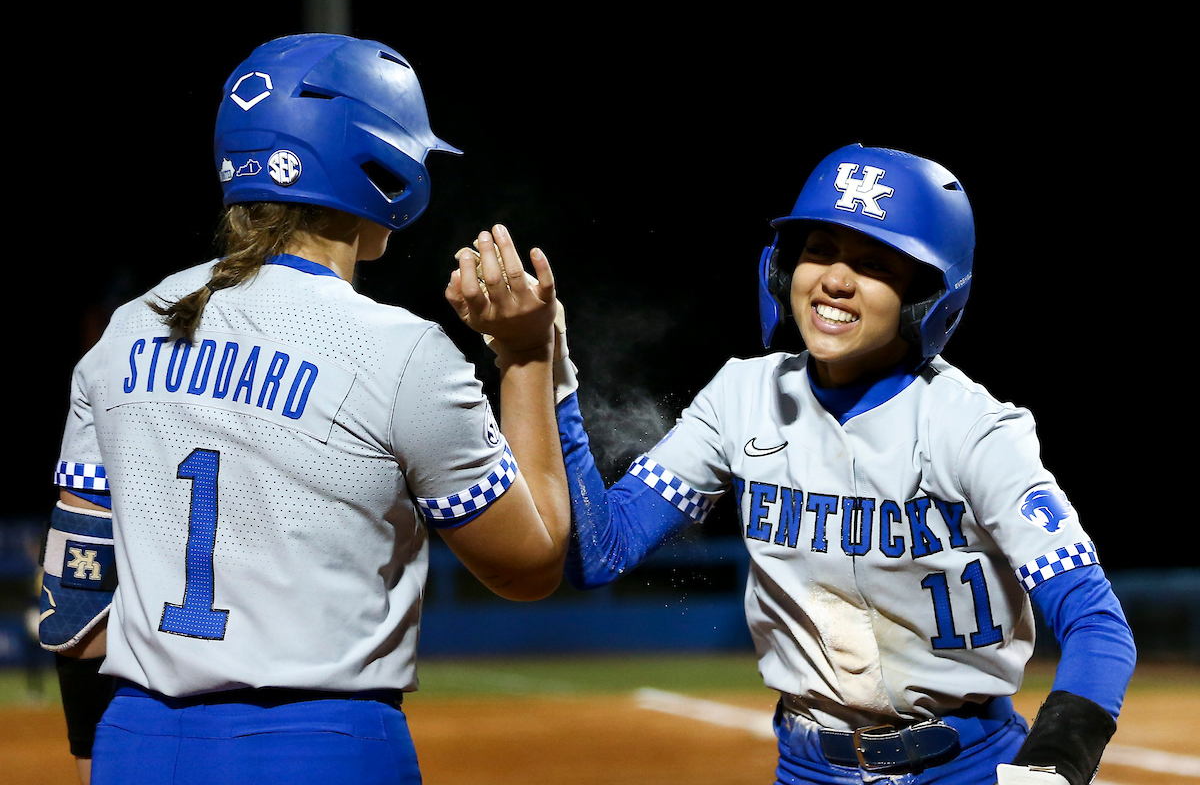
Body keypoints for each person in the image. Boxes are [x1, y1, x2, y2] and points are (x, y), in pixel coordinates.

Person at [451, 144, 1136, 785]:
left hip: (964, 765)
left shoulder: (975, 429)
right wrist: (547, 369)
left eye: (874, 263)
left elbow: (1093, 619)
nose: (835, 279)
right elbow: (598, 552)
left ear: (928, 294)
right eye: (819, 250)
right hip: (807, 768)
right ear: (782, 267)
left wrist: (1051, 764)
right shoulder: (742, 397)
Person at [41, 33, 568, 785]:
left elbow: (74, 597)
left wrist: (110, 748)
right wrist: (524, 356)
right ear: (376, 161)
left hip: (138, 742)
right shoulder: (402, 351)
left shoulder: (129, 327)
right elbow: (530, 565)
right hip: (323, 743)